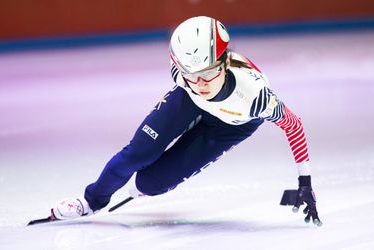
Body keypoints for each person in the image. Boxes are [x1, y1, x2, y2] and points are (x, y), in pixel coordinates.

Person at [52, 16, 322, 226]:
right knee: (137, 154)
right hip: (189, 103)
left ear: (224, 62)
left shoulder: (255, 98)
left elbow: (294, 126)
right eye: (191, 74)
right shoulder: (184, 77)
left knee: (151, 183)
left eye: (209, 73)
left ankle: (140, 189)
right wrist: (192, 82)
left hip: (232, 124)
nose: (201, 83)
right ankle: (90, 201)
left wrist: (305, 184)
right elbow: (194, 80)